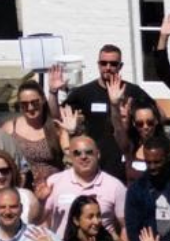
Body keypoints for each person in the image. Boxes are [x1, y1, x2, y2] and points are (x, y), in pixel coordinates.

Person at [67, 44, 158, 178]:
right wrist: (53, 93)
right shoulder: (84, 92)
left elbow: (159, 115)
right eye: (104, 63)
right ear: (98, 64)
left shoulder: (132, 91)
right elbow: (60, 116)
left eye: (113, 64)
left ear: (120, 66)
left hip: (126, 159)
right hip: (96, 161)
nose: (108, 67)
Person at [42, 136, 128, 237]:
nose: (83, 157)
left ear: (98, 154)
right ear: (70, 157)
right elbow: (42, 220)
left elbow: (126, 226)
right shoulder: (54, 182)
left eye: (89, 152)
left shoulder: (115, 186)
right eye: (77, 153)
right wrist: (39, 202)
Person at [2, 81, 70, 189]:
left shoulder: (55, 127)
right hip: (23, 189)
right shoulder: (10, 128)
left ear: (43, 100)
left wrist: (71, 131)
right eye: (24, 104)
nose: (30, 108)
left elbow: (70, 154)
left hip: (54, 188)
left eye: (34, 102)